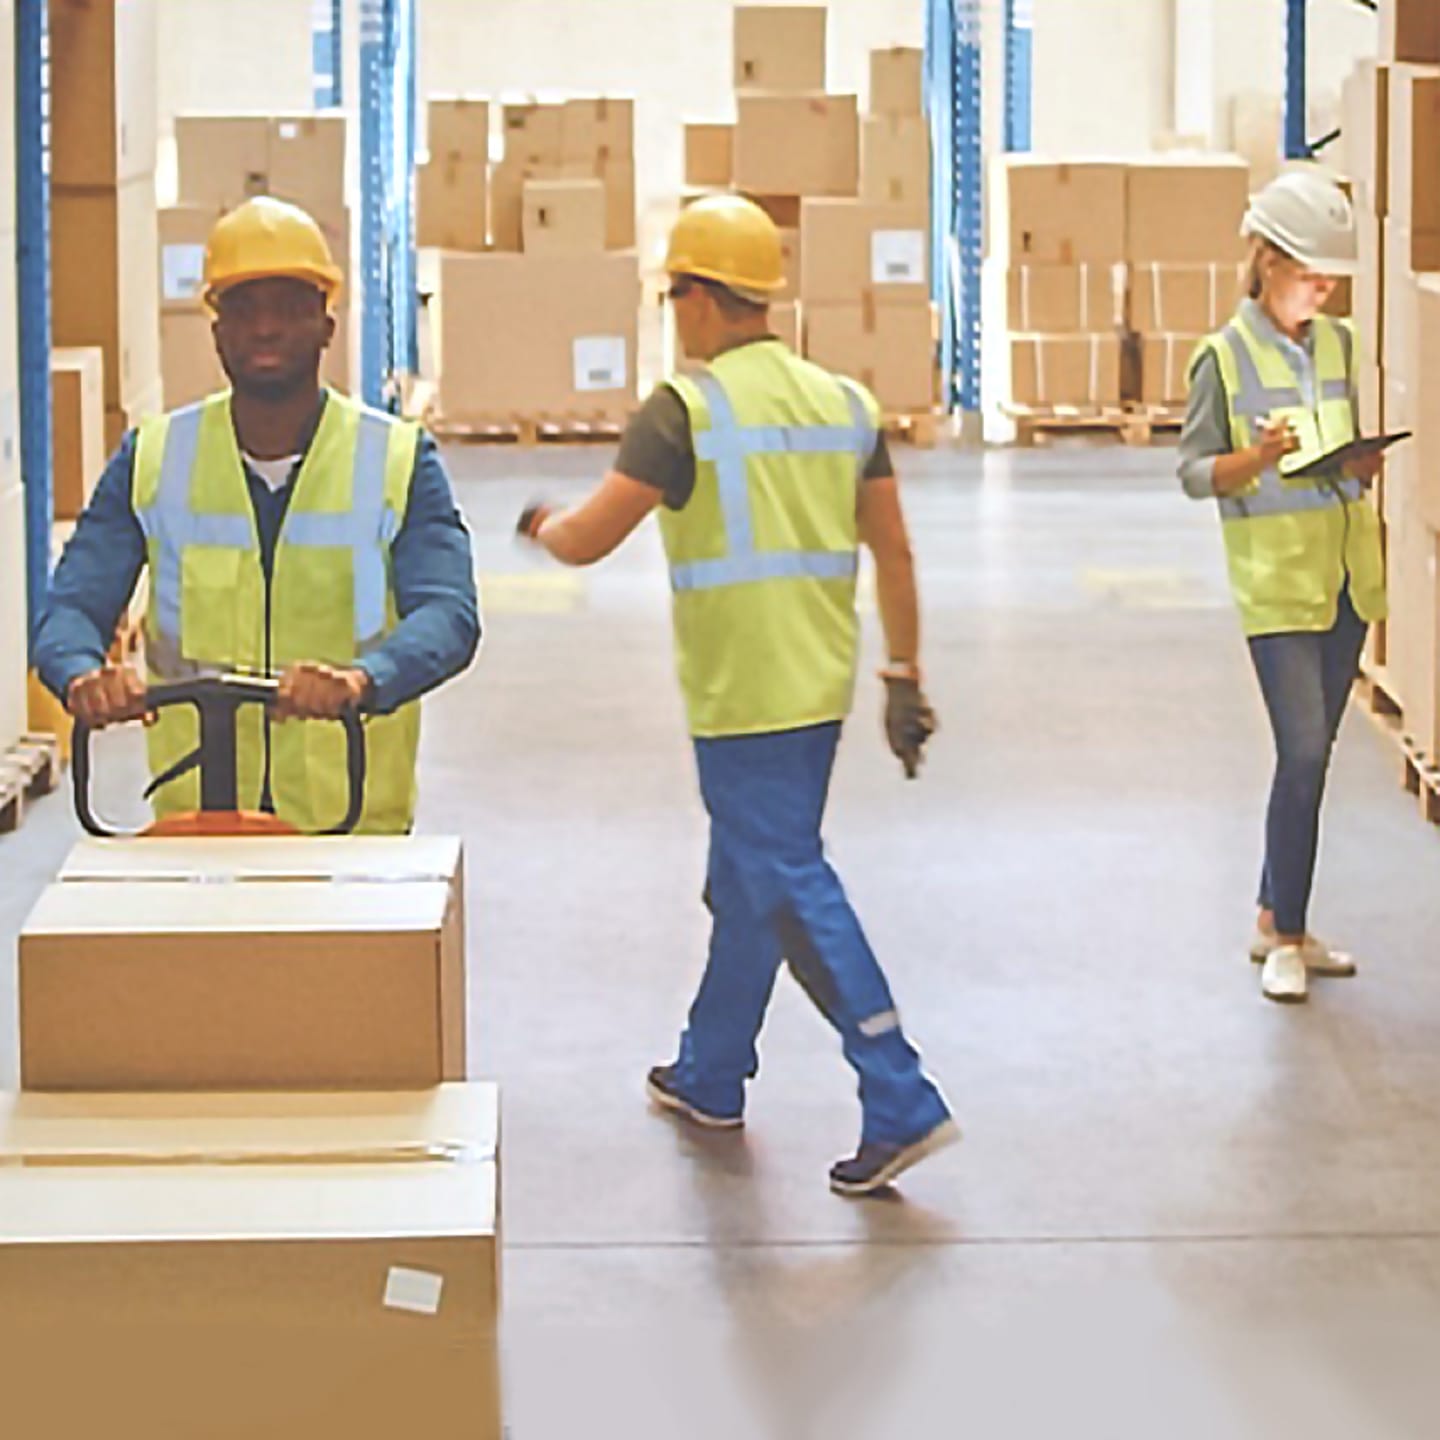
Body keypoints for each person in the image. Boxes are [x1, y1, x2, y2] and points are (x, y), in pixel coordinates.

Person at [515, 195, 956, 1196]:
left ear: (704, 298)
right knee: (746, 883)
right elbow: (895, 548)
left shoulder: (687, 408)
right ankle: (712, 1071)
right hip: (818, 687)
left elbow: (589, 538)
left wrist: (538, 521)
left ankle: (899, 1091)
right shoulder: (844, 403)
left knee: (792, 882)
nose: (675, 314)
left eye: (676, 294)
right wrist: (904, 674)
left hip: (739, 696)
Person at [34, 197, 479, 833]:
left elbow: (448, 613)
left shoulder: (398, 461)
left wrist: (362, 681)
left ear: (326, 324)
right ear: (217, 330)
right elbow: (72, 604)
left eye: (289, 306)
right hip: (198, 827)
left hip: (350, 831)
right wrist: (83, 675)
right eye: (244, 308)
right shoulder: (155, 458)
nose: (265, 327)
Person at [1177, 170, 1386, 1004]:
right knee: (1300, 752)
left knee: (1314, 757)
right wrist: (1256, 459)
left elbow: (1341, 435)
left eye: (1332, 276)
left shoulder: (1336, 344)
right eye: (1311, 272)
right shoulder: (1221, 360)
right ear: (1265, 260)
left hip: (1344, 578)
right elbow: (1195, 473)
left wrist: (1361, 461)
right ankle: (1286, 936)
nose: (1324, 287)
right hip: (1276, 587)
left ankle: (1275, 917)